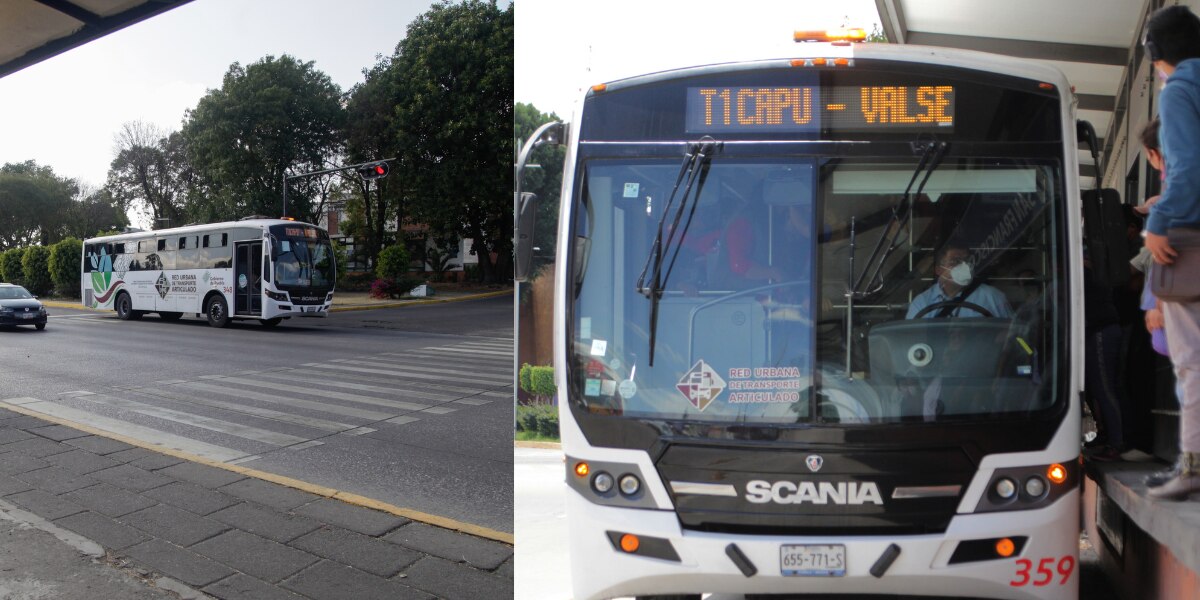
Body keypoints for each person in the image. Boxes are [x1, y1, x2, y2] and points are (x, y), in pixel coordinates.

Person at [1142, 5, 1200, 500]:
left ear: (1157, 54)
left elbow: (1186, 169)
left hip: (1193, 242)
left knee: (1192, 359)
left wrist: (1156, 225)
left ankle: (1192, 465)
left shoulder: (1181, 89)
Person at [906, 244, 1013, 319]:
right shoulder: (921, 303)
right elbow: (912, 341)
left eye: (966, 261)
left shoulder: (993, 298)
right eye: (955, 261)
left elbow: (1012, 335)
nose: (963, 266)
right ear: (939, 270)